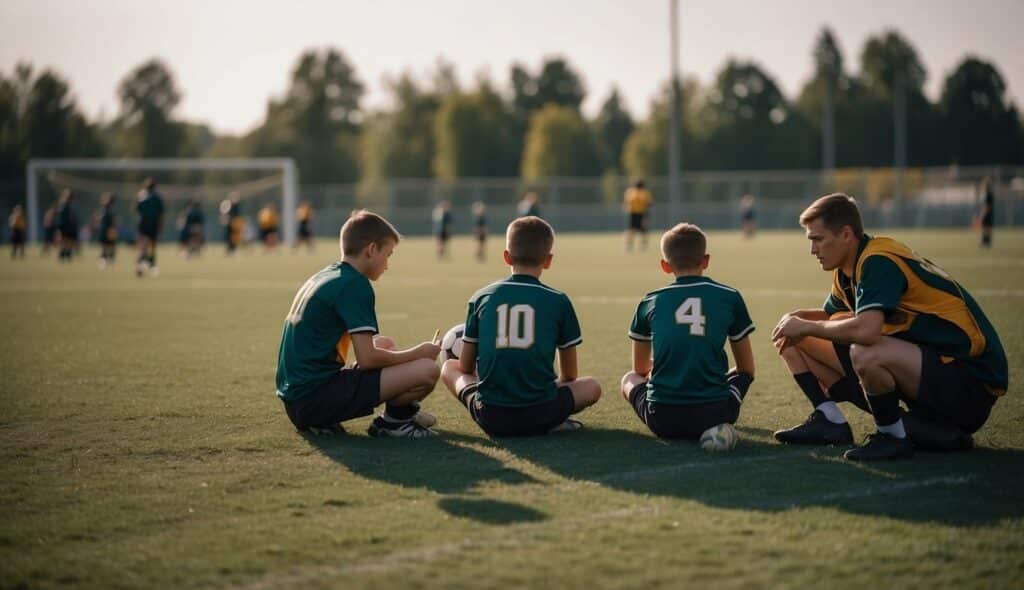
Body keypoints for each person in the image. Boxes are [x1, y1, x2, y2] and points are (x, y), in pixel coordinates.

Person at [771, 193, 1007, 461]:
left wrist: (805, 326)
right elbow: (832, 315)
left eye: (818, 239)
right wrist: (796, 319)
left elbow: (867, 330)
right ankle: (830, 420)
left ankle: (893, 437)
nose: (813, 250)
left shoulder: (877, 260)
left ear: (846, 234)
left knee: (866, 351)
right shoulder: (848, 269)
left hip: (970, 383)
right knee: (790, 333)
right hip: (933, 373)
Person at [276, 210, 442, 437]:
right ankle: (395, 423)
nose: (387, 264)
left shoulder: (328, 274)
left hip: (299, 397)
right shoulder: (355, 285)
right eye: (388, 254)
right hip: (312, 400)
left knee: (385, 343)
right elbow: (368, 360)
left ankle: (402, 413)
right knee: (428, 370)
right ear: (372, 250)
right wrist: (418, 353)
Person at [440, 216, 602, 436]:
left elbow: (466, 368)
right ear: (548, 260)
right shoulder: (559, 301)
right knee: (592, 386)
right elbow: (570, 375)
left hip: (491, 416)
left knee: (449, 367)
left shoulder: (481, 297)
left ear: (506, 257)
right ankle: (553, 422)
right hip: (542, 412)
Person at [621, 223, 756, 439]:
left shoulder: (650, 300)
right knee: (740, 375)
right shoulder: (730, 296)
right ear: (706, 260)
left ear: (665, 266)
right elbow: (746, 369)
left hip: (663, 419)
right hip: (717, 414)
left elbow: (640, 368)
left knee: (629, 378)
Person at [135, 178, 164, 277]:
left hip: (143, 224)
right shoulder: (157, 198)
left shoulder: (140, 196)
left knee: (143, 245)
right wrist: (161, 225)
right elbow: (161, 214)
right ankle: (152, 265)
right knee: (152, 246)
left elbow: (135, 210)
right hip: (153, 224)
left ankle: (140, 264)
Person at [623, 180, 653, 252]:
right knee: (642, 230)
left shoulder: (630, 192)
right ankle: (642, 246)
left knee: (633, 230)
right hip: (641, 213)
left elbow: (627, 203)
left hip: (635, 213)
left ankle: (629, 246)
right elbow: (650, 203)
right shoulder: (644, 192)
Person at [55, 189, 79, 262]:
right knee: (64, 241)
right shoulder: (62, 205)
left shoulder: (70, 205)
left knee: (69, 241)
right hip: (64, 226)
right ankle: (63, 255)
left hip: (70, 226)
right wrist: (59, 228)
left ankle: (67, 254)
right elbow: (61, 218)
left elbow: (73, 217)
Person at [96, 193, 118, 266]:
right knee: (106, 245)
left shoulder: (111, 210)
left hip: (109, 229)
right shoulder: (104, 209)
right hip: (105, 229)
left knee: (110, 245)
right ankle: (104, 258)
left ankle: (108, 258)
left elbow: (114, 221)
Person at [975, 177, 994, 248]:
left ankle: (986, 242)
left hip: (987, 214)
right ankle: (985, 242)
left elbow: (987, 206)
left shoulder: (989, 195)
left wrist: (983, 214)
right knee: (985, 228)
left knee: (987, 228)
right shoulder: (986, 195)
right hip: (987, 213)